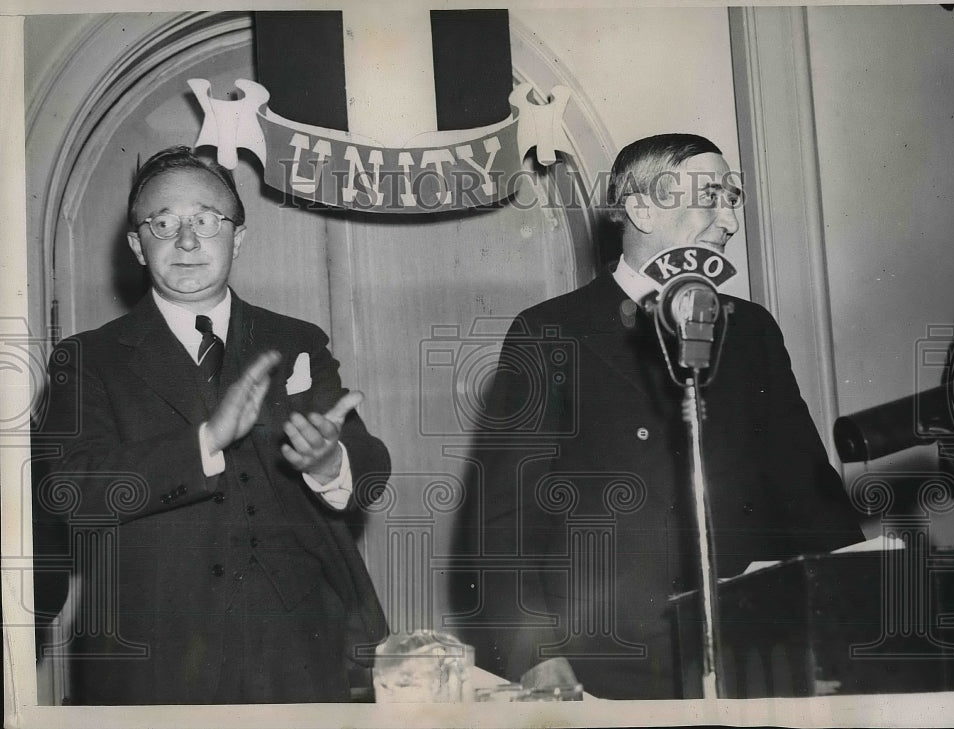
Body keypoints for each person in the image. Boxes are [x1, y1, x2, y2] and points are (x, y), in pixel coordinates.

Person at [451, 134, 863, 699]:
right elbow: (505, 520)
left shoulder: (751, 329)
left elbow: (808, 490)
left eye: (733, 198)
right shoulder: (549, 332)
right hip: (607, 659)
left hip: (754, 648)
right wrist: (534, 657)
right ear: (641, 208)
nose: (729, 221)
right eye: (710, 196)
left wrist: (851, 619)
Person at [40, 146, 390, 704]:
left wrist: (329, 463)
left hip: (297, 649)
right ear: (136, 244)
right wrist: (204, 442)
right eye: (163, 223)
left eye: (206, 221)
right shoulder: (86, 359)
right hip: (151, 656)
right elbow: (69, 490)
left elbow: (367, 461)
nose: (186, 241)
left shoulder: (297, 341)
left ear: (238, 237)